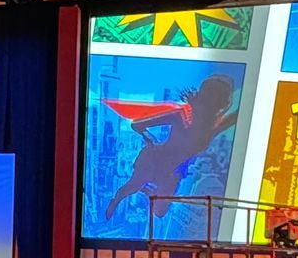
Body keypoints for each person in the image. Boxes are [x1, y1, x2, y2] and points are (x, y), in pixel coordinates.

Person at [102, 74, 239, 223]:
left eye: (218, 100)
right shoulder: (180, 115)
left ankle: (147, 190)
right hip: (154, 159)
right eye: (211, 98)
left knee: (160, 212)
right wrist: (151, 140)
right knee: (131, 187)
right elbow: (137, 125)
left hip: (174, 171)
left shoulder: (213, 127)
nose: (214, 105)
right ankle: (115, 201)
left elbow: (239, 113)